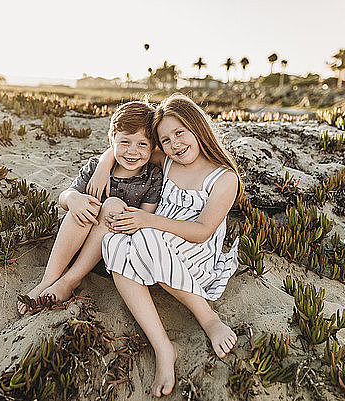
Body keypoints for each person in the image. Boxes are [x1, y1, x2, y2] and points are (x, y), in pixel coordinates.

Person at [86, 93, 243, 397]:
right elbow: (126, 150)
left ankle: (208, 318)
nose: (175, 145)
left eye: (180, 133)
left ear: (198, 127)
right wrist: (104, 165)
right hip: (152, 241)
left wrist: (148, 222)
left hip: (194, 250)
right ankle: (163, 346)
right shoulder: (167, 160)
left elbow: (201, 231)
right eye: (166, 140)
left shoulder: (224, 178)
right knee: (116, 238)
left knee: (140, 235)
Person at [17, 101, 163, 315]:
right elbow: (65, 196)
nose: (132, 151)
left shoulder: (152, 175)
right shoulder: (97, 167)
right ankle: (48, 280)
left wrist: (114, 214)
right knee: (83, 202)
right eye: (125, 142)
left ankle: (69, 281)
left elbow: (144, 218)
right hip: (74, 248)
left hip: (109, 257)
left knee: (112, 205)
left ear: (153, 147)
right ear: (111, 140)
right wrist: (74, 199)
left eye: (142, 144)